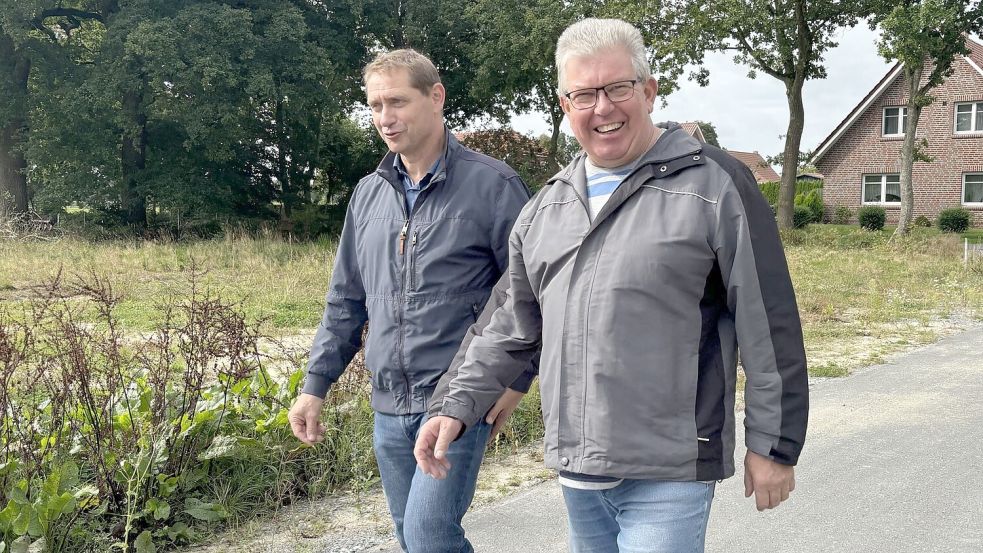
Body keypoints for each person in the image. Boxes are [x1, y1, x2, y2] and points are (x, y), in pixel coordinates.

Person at [416, 18, 809, 553]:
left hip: (669, 470)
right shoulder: (546, 207)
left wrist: (774, 445)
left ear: (648, 91)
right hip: (578, 471)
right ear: (565, 104)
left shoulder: (714, 184)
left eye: (617, 88)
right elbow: (507, 325)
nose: (602, 107)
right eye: (584, 94)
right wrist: (453, 405)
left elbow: (769, 322)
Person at [287, 48, 536, 553]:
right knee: (411, 538)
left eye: (396, 102)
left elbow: (531, 293)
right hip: (387, 404)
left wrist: (518, 381)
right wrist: (314, 386)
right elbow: (346, 300)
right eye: (375, 106)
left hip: (457, 397)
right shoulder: (368, 194)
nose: (385, 118)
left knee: (429, 538)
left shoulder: (494, 186)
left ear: (436, 97)